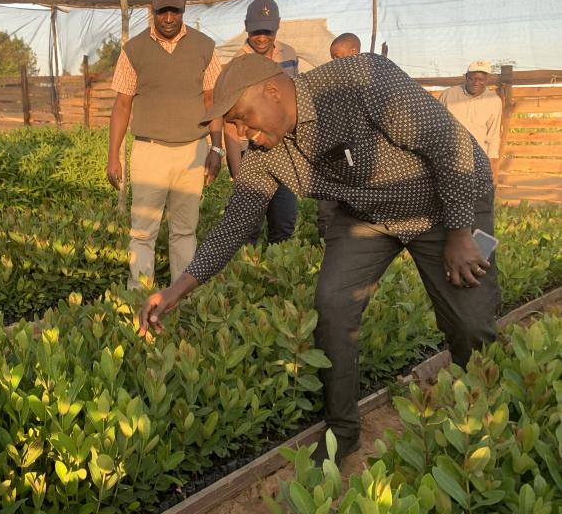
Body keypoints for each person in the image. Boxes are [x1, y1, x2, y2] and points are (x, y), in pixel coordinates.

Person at [138, 53, 499, 466]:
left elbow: (448, 143)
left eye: (241, 118)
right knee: (332, 304)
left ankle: (483, 427)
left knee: (470, 320)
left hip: (445, 204)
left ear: (272, 91)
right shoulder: (266, 152)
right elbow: (236, 223)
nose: (240, 133)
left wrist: (458, 231)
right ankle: (341, 431)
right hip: (367, 214)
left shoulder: (359, 80)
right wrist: (176, 290)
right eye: (233, 126)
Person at [106, 0, 225, 289]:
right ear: (152, 9)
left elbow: (213, 101)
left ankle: (181, 297)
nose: (169, 17)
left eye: (175, 10)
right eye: (162, 11)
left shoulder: (205, 47)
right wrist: (113, 157)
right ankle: (139, 295)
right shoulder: (133, 50)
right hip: (150, 151)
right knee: (143, 231)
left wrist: (217, 148)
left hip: (193, 150)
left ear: (184, 8)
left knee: (185, 230)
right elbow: (121, 106)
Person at [224, 0, 298, 245]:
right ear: (246, 26)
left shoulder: (289, 54)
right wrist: (237, 172)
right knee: (249, 227)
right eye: (256, 30)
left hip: (284, 150)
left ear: (278, 25)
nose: (262, 37)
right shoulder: (236, 63)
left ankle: (277, 278)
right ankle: (250, 277)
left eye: (268, 30)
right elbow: (230, 125)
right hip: (251, 151)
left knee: (285, 223)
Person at [316, 32, 364, 238]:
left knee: (358, 211)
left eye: (337, 56)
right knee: (326, 209)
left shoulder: (369, 82)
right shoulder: (329, 84)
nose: (333, 62)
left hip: (360, 159)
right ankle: (325, 247)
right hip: (333, 157)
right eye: (332, 58)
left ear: (354, 52)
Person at [438, 61, 502, 182]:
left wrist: (492, 164)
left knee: (475, 195)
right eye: (472, 78)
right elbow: (436, 125)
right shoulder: (448, 95)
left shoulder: (494, 101)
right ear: (466, 77)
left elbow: (493, 135)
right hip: (449, 155)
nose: (476, 83)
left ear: (487, 79)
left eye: (481, 79)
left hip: (477, 158)